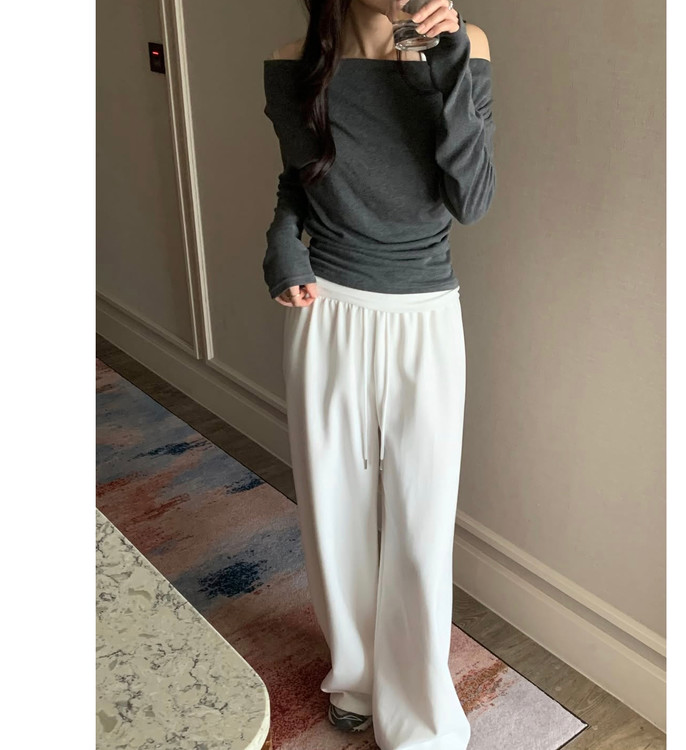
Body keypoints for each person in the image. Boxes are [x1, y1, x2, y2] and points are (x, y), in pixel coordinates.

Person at [262, 1, 495, 748]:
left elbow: (472, 199)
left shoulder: (465, 45)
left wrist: (447, 61)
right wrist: (282, 241)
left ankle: (420, 706)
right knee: (333, 508)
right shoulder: (295, 59)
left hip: (426, 315)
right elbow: (299, 180)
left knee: (422, 519)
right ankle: (356, 676)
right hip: (326, 306)